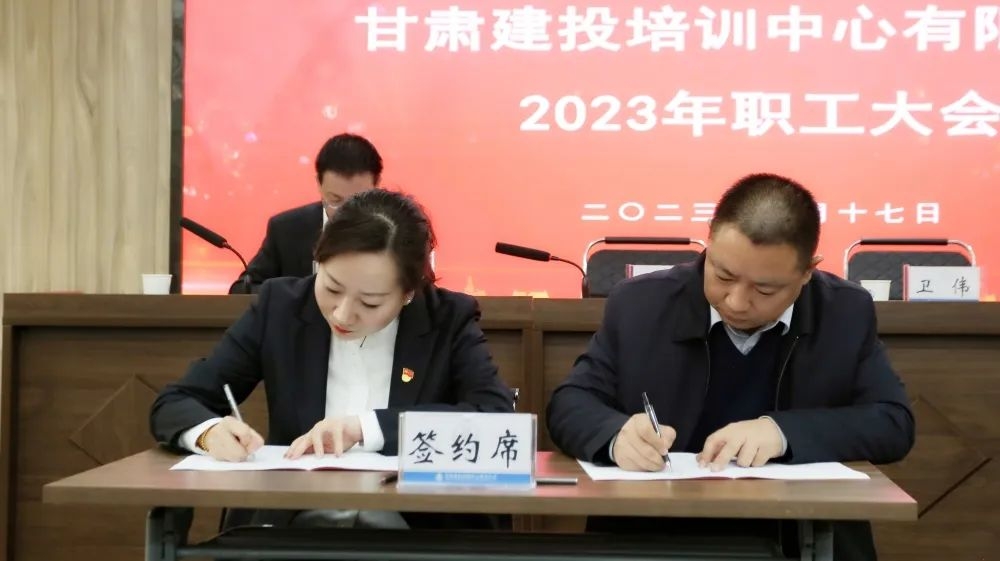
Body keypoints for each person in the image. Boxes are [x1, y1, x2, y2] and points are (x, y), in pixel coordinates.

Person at [546, 173, 914, 560]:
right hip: (654, 536)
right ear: (709, 240)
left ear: (808, 271)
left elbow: (893, 422)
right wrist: (615, 435)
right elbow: (571, 403)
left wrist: (783, 432)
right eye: (723, 275)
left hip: (798, 537)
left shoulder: (844, 311)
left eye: (765, 289)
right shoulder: (641, 303)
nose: (736, 301)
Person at [154, 188, 515, 530]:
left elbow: (496, 419)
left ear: (408, 293)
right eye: (331, 288)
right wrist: (208, 433)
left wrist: (367, 428)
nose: (342, 314)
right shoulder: (280, 307)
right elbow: (177, 401)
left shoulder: (446, 319)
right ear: (318, 261)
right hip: (293, 527)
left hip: (414, 530)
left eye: (370, 302)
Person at [229, 132, 383, 294]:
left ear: (376, 185)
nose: (346, 212)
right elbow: (241, 290)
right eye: (335, 200)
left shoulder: (397, 230)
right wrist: (299, 296)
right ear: (319, 184)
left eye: (357, 200)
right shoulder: (286, 229)